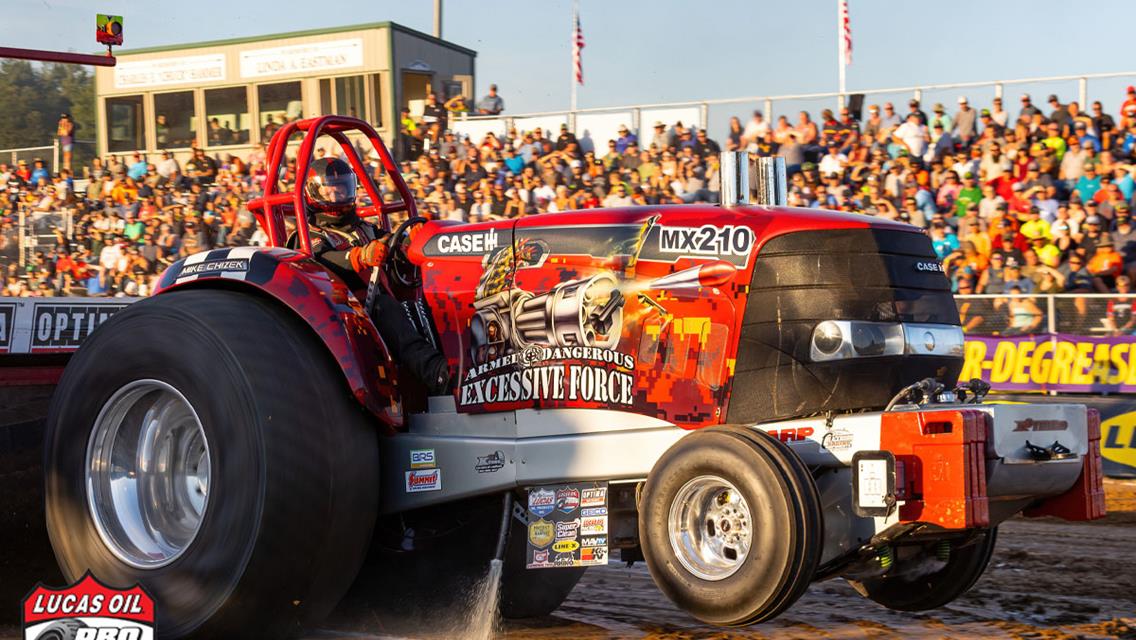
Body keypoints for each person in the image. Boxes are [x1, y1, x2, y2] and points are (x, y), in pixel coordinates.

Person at [302, 157, 451, 395]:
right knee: (387, 308)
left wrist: (411, 241)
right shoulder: (311, 235)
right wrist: (360, 256)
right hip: (346, 312)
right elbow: (323, 259)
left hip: (379, 299)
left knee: (426, 300)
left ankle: (461, 360)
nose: (338, 193)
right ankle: (437, 373)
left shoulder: (364, 228)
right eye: (331, 188)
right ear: (314, 192)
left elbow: (390, 241)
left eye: (342, 186)